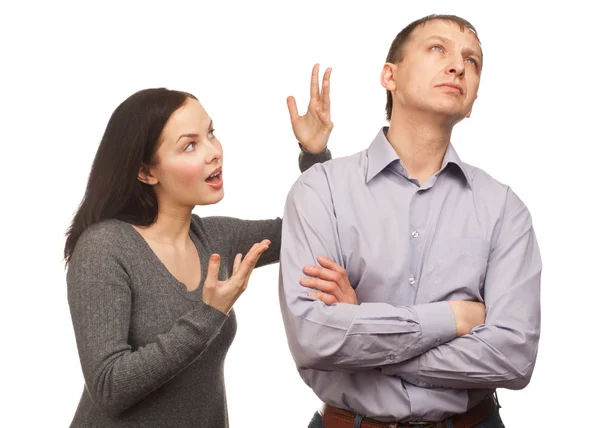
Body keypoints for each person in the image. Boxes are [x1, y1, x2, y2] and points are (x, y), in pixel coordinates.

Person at [279, 14, 541, 428]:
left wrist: (365, 331)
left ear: (472, 101)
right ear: (390, 76)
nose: (458, 65)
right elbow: (315, 338)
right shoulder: (319, 191)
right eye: (438, 48)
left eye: (472, 61)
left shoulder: (504, 209)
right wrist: (454, 318)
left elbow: (512, 357)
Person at [64, 64, 333, 427]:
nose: (213, 152)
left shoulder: (216, 238)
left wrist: (314, 154)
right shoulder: (105, 248)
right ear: (146, 171)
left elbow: (315, 231)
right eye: (190, 145)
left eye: (211, 134)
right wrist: (208, 314)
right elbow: (109, 387)